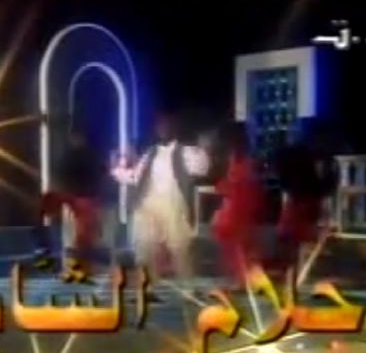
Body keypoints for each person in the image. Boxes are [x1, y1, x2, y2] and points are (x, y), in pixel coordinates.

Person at [112, 113, 209, 283]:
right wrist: (117, 171)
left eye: (166, 125)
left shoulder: (185, 152)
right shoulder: (151, 153)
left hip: (174, 205)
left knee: (180, 250)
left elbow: (202, 169)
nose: (162, 129)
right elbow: (135, 176)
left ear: (175, 128)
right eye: (160, 126)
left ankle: (187, 286)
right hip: (149, 206)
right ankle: (149, 286)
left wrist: (201, 150)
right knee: (145, 249)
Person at [41, 128, 106, 269]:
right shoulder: (90, 156)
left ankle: (76, 261)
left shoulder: (69, 157)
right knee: (84, 234)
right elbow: (101, 173)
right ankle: (82, 261)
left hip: (76, 198)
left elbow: (60, 176)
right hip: (86, 198)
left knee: (77, 235)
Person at [211, 122, 266, 288]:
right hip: (239, 205)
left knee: (236, 240)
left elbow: (239, 183)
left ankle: (246, 278)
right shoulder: (240, 158)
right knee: (238, 242)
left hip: (239, 205)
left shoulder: (242, 160)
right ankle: (246, 278)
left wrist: (224, 187)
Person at [276, 145, 339, 291]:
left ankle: (292, 283)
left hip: (293, 218)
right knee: (301, 251)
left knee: (293, 254)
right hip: (303, 218)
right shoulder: (311, 184)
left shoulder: (293, 182)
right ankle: (295, 283)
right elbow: (327, 188)